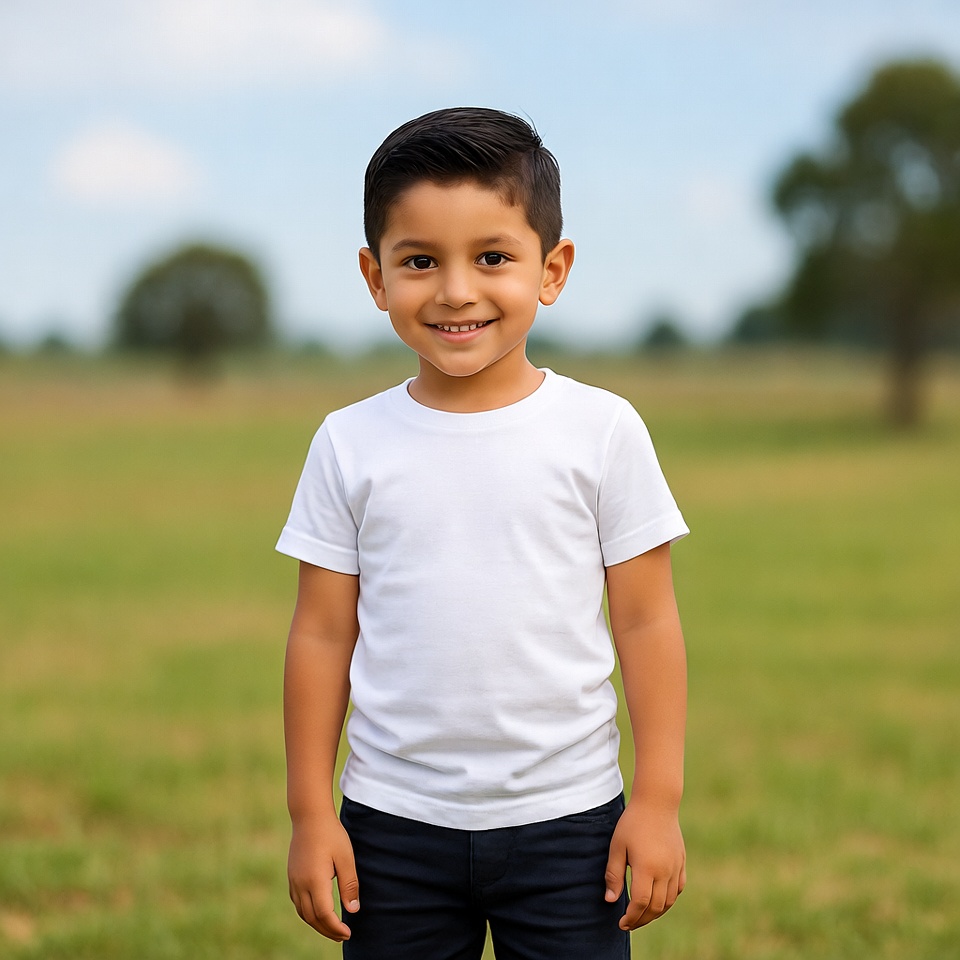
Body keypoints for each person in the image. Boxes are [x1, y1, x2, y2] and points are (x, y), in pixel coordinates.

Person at [276, 106, 689, 960]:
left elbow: (647, 621)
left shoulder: (603, 431)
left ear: (553, 268)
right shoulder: (348, 443)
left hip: (571, 824)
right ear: (374, 275)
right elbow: (320, 633)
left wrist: (657, 800)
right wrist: (311, 814)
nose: (456, 290)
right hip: (393, 827)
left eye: (492, 257)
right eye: (420, 261)